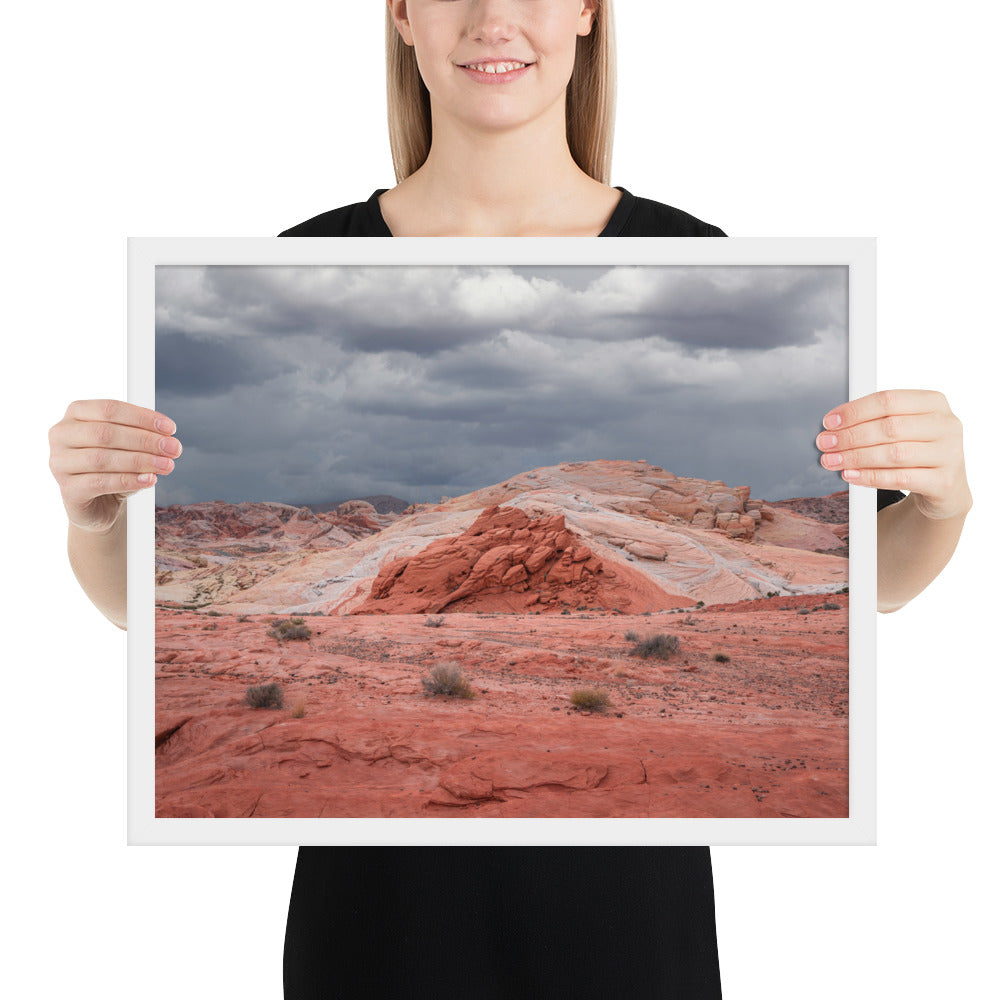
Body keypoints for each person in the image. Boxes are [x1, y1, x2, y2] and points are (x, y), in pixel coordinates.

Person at [47, 2, 972, 997]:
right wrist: (93, 516)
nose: (495, 18)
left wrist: (942, 501)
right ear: (402, 14)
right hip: (371, 938)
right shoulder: (298, 248)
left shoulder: (695, 246)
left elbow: (870, 592)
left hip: (629, 941)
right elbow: (128, 610)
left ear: (586, 13)